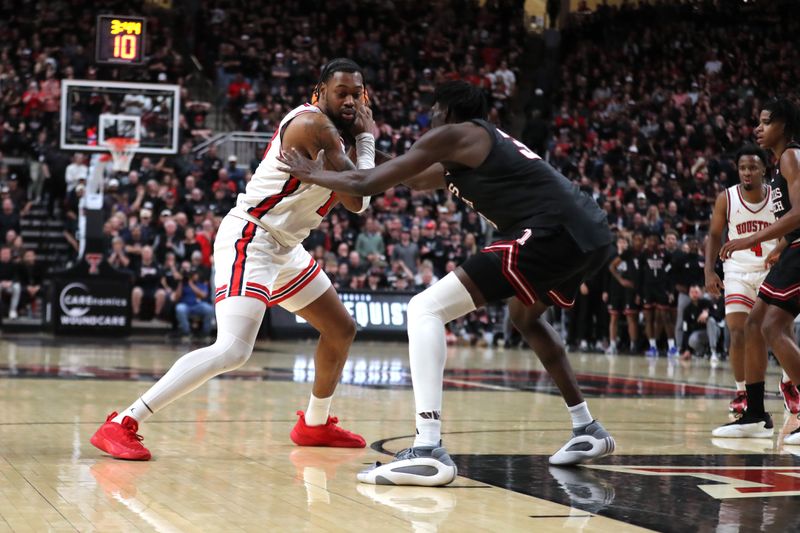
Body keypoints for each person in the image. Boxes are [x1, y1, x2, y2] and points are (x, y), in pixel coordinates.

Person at [279, 80, 616, 486]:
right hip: (589, 234)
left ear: (446, 111)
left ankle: (427, 450)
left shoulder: (457, 133)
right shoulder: (473, 146)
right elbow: (415, 178)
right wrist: (363, 147)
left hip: (552, 232)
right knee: (524, 318)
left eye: (433, 113)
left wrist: (316, 173)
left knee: (424, 308)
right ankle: (587, 428)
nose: (430, 121)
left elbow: (367, 184)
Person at [90, 58, 377, 460]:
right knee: (234, 349)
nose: (350, 100)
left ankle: (314, 424)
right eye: (341, 92)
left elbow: (356, 192)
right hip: (252, 236)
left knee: (340, 329)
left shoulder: (337, 134)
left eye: (356, 93)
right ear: (319, 93)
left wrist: (359, 139)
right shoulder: (314, 125)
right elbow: (358, 198)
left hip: (285, 246)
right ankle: (122, 423)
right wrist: (368, 139)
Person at [714, 98, 800, 440]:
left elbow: (799, 215)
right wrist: (779, 245)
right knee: (753, 325)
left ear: (784, 125)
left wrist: (752, 240)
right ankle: (754, 414)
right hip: (792, 248)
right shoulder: (783, 164)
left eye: (766, 122)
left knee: (773, 328)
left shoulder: (792, 156)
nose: (758, 128)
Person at [678, 285, 722, 361]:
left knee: (710, 320)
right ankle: (702, 352)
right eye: (692, 292)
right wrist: (686, 350)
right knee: (692, 340)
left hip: (715, 332)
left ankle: (714, 352)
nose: (694, 294)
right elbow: (686, 330)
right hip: (702, 334)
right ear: (689, 294)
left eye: (696, 292)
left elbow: (719, 315)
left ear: (701, 293)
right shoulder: (687, 310)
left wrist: (708, 314)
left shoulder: (708, 303)